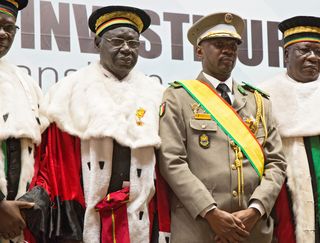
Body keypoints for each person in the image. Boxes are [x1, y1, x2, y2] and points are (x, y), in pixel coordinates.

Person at [32, 5, 165, 242]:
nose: (126, 49)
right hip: (84, 211)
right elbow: (52, 163)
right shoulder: (69, 92)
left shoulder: (156, 94)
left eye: (133, 43)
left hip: (141, 212)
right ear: (97, 42)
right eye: (117, 41)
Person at [157, 12, 286, 243]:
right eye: (219, 44)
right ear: (199, 51)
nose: (228, 50)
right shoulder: (179, 97)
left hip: (252, 230)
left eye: (233, 46)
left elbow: (276, 163)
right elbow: (171, 161)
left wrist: (256, 209)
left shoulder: (259, 102)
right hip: (200, 228)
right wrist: (210, 212)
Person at [260, 16, 320, 242]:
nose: (313, 57)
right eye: (305, 50)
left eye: (319, 52)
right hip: (284, 206)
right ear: (286, 55)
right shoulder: (263, 97)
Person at [0, 0, 47, 242]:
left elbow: (44, 153)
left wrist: (33, 198)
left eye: (10, 27)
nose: (2, 33)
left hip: (17, 224)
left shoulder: (26, 83)